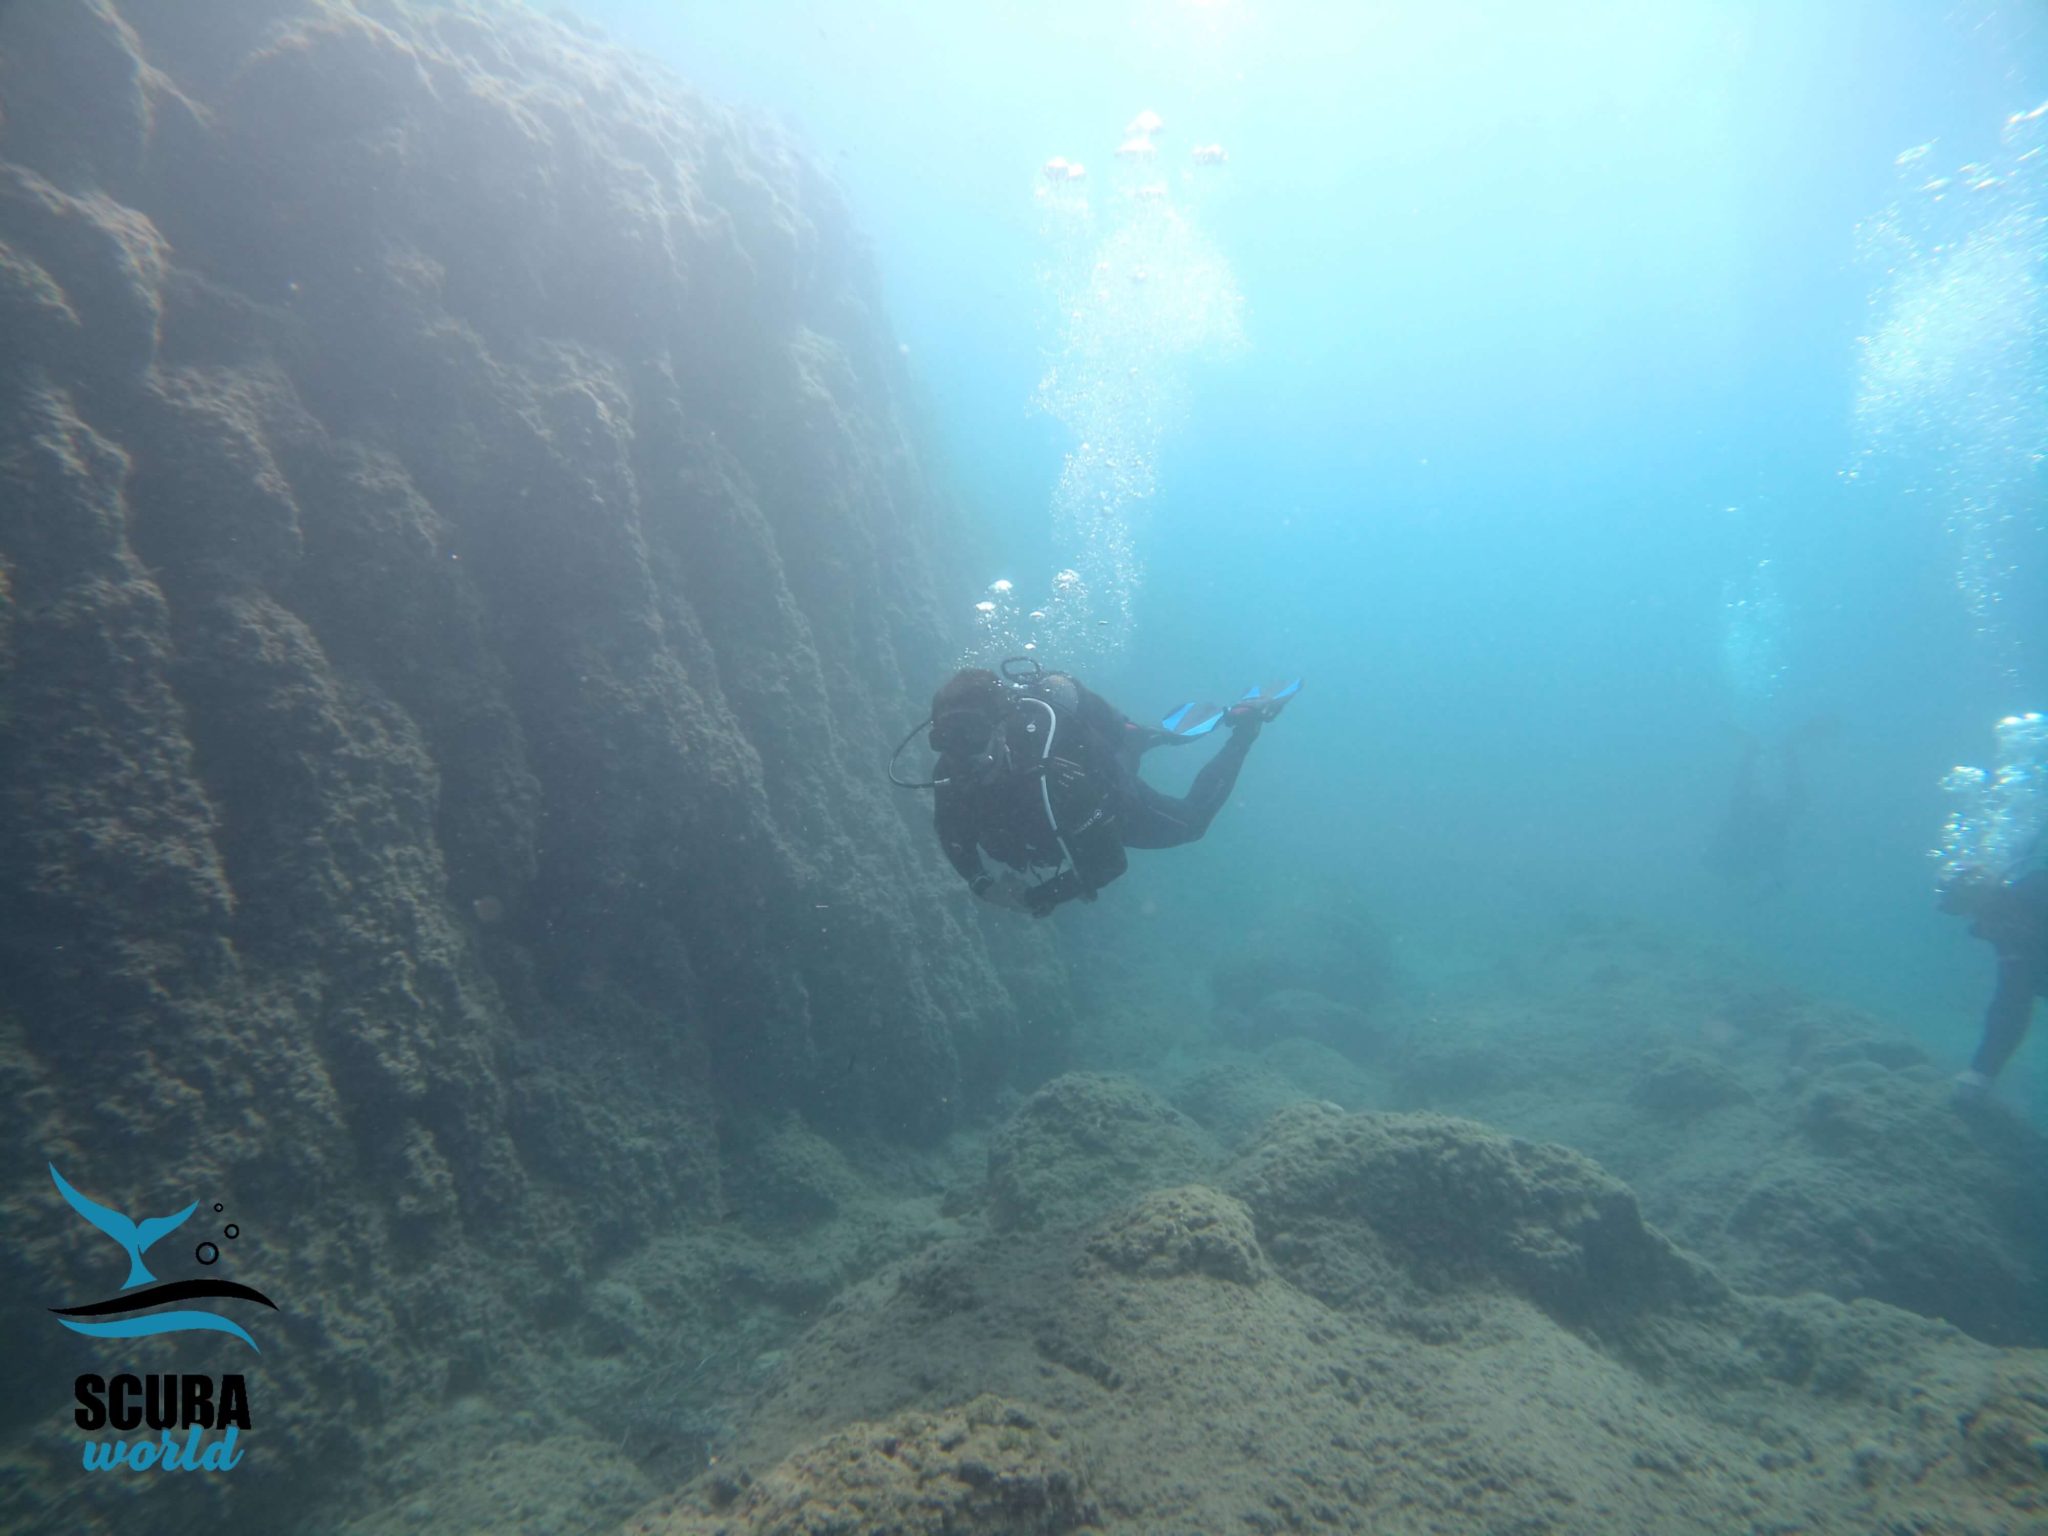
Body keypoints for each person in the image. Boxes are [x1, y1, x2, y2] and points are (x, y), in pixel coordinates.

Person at [918, 664, 1287, 917]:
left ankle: (1245, 730)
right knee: (1125, 745)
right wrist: (983, 885)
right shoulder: (951, 773)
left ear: (1000, 729)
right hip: (1088, 764)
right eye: (946, 738)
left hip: (1111, 795)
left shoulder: (1055, 777)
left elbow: (1109, 863)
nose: (961, 753)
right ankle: (1137, 737)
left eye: (973, 734)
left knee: (1192, 825)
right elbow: (952, 836)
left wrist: (1038, 897)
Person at [1939, 846, 2048, 1098]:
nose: (1983, 924)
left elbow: (2011, 1004)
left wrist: (1982, 1073)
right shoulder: (2011, 937)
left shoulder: (2036, 890)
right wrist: (1982, 1072)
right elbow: (2011, 1003)